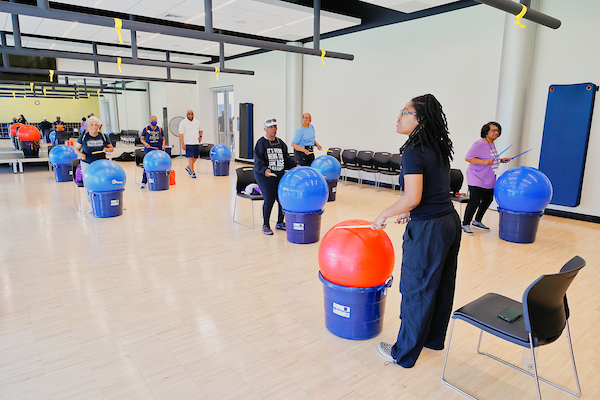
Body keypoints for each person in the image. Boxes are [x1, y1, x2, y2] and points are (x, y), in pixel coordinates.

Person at [372, 94, 461, 368]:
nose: (398, 116)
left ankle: (404, 353)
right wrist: (412, 211)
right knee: (441, 285)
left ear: (419, 119)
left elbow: (412, 197)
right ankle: (433, 339)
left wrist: (384, 214)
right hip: (448, 221)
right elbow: (431, 191)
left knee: (416, 289)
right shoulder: (436, 145)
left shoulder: (413, 151)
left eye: (404, 112)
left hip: (429, 231)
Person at [461, 122, 511, 235]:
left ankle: (477, 221)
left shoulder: (491, 144)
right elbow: (468, 158)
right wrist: (484, 162)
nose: (496, 133)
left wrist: (501, 160)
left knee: (488, 199)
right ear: (486, 131)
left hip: (488, 177)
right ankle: (465, 224)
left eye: (497, 131)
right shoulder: (479, 144)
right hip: (476, 176)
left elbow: (490, 159)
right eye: (493, 130)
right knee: (474, 201)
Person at [254, 117, 296, 236]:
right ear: (265, 128)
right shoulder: (261, 143)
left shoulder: (280, 143)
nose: (274, 129)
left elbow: (287, 159)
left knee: (282, 199)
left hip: (279, 174)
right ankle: (266, 224)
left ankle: (280, 222)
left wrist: (296, 165)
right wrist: (265, 170)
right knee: (269, 198)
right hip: (264, 175)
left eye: (275, 127)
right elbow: (258, 161)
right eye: (271, 127)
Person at [74, 116, 114, 213]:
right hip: (87, 163)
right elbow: (76, 149)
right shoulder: (83, 137)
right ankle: (92, 204)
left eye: (96, 125)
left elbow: (111, 148)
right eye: (91, 125)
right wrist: (81, 154)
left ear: (99, 126)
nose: (94, 127)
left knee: (104, 182)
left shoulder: (103, 136)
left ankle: (106, 201)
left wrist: (107, 149)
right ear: (87, 127)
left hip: (101, 163)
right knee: (89, 183)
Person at [139, 115, 166, 189]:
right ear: (149, 121)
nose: (154, 121)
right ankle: (143, 182)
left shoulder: (160, 129)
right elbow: (142, 139)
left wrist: (163, 145)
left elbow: (163, 138)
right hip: (149, 150)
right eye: (152, 120)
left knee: (159, 165)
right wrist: (146, 144)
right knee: (147, 165)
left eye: (155, 120)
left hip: (158, 149)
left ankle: (160, 181)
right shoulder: (146, 129)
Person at [178, 109, 203, 178]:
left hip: (196, 143)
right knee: (190, 158)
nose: (190, 115)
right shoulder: (183, 123)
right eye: (189, 114)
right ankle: (192, 172)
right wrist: (183, 143)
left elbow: (201, 130)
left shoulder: (197, 121)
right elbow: (181, 134)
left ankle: (188, 167)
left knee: (195, 157)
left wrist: (200, 136)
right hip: (188, 143)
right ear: (186, 115)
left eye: (191, 114)